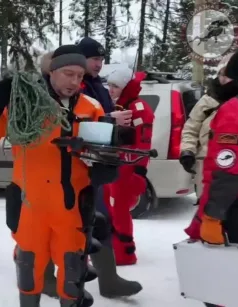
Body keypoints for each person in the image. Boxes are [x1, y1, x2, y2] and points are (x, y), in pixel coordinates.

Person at [0, 45, 119, 307]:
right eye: (68, 74)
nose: (74, 81)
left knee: (72, 270)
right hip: (31, 204)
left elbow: (103, 151)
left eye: (79, 75)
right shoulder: (26, 104)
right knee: (29, 268)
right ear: (52, 72)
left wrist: (105, 166)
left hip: (72, 206)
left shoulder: (91, 107)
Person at [74, 37, 142, 297]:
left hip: (98, 165)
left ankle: (108, 280)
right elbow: (72, 124)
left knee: (100, 222)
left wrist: (118, 126)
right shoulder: (72, 85)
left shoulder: (97, 86)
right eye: (95, 59)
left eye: (102, 59)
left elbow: (103, 118)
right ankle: (58, 279)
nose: (99, 64)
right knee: (70, 225)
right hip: (74, 167)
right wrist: (107, 119)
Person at [184, 59, 238, 241]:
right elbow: (191, 127)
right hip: (209, 163)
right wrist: (187, 150)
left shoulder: (236, 109)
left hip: (233, 198)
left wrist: (212, 216)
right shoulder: (208, 101)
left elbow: (229, 169)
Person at [106, 67, 154, 265]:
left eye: (115, 86)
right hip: (115, 166)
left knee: (119, 210)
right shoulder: (118, 107)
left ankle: (125, 253)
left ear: (125, 87)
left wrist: (140, 172)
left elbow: (144, 143)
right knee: (111, 209)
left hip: (127, 168)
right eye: (109, 85)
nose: (111, 90)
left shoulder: (139, 108)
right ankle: (113, 249)